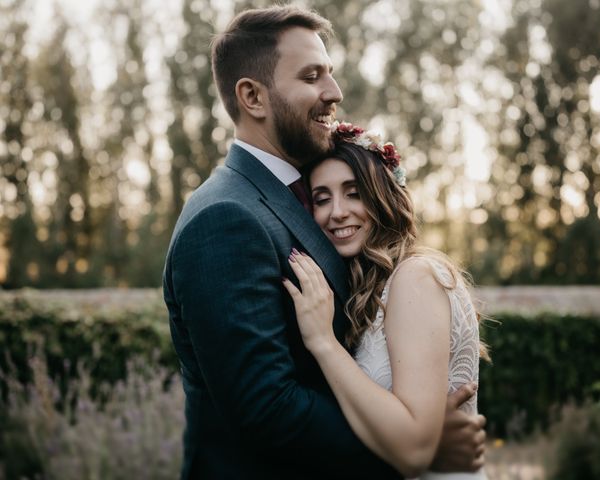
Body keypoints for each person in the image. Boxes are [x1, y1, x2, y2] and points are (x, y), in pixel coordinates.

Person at [163, 5, 485, 480]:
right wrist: (414, 444)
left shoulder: (288, 201)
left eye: (330, 75)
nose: (334, 93)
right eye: (312, 76)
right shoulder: (226, 217)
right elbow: (267, 408)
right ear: (253, 96)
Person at [282, 122, 489, 479]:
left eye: (354, 192)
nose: (337, 212)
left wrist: (322, 343)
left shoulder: (415, 278)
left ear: (383, 196)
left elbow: (412, 451)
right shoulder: (372, 292)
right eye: (322, 199)